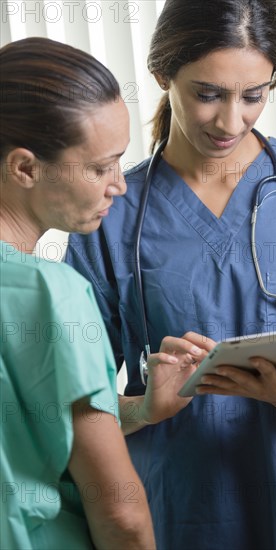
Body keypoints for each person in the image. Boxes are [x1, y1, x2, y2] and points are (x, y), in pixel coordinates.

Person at [65, 1, 276, 548]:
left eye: (254, 95)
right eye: (207, 94)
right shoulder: (111, 216)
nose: (231, 121)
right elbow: (76, 408)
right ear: (162, 74)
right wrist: (144, 406)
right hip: (185, 509)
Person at [0, 36, 202, 550]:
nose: (119, 185)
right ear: (25, 168)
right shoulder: (54, 293)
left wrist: (139, 409)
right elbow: (121, 512)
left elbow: (41, 426)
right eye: (99, 168)